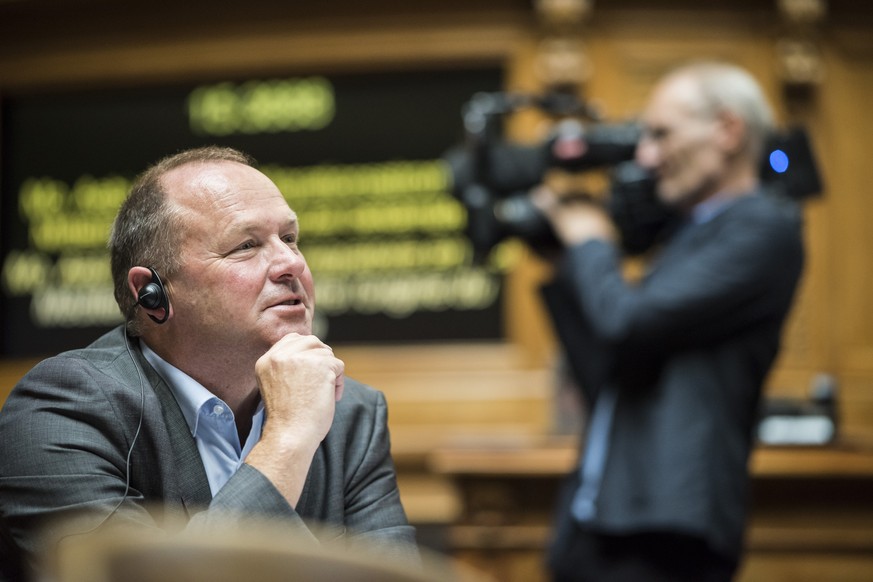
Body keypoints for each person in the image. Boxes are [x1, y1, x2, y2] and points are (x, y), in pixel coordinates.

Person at [0, 146, 418, 580]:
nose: (292, 263)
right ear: (154, 294)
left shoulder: (351, 413)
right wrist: (288, 439)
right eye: (246, 245)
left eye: (290, 238)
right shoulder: (61, 412)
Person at [534, 61, 805, 581]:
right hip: (601, 519)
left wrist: (591, 240)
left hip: (668, 531)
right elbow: (612, 368)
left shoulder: (762, 227)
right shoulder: (688, 235)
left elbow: (627, 322)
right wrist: (563, 261)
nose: (647, 156)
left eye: (661, 134)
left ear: (727, 131)